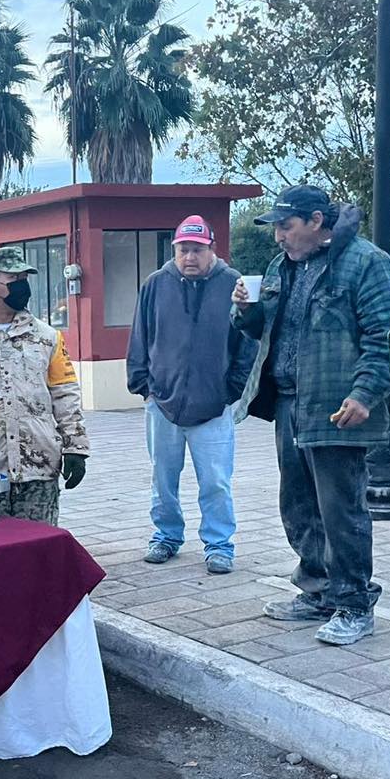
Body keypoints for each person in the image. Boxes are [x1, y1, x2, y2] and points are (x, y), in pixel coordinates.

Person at [231, 186, 390, 645]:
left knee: (340, 510)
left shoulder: (366, 262)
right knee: (298, 504)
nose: (279, 238)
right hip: (289, 402)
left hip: (338, 407)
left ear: (315, 220)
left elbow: (386, 335)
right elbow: (268, 328)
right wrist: (246, 313)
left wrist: (365, 393)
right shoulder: (281, 267)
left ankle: (353, 603)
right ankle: (317, 590)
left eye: (285, 227)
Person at [126, 214, 256, 573]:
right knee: (162, 479)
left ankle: (219, 545)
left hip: (213, 407)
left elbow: (247, 344)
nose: (190, 257)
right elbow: (139, 336)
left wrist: (230, 392)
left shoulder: (233, 285)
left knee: (215, 481)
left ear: (211, 249)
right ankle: (166, 536)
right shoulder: (155, 285)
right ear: (175, 249)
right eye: (184, 249)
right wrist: (144, 388)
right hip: (162, 405)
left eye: (197, 250)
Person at [0, 246, 90, 526]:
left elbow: (65, 393)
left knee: (40, 554)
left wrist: (76, 449)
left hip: (38, 467)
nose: (23, 287)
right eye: (14, 281)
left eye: (25, 279)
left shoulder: (47, 337)